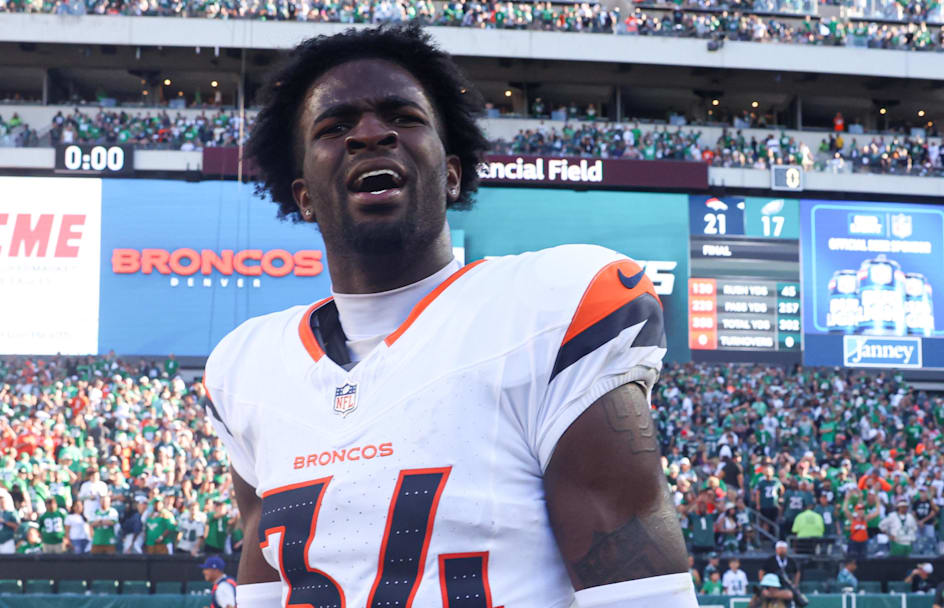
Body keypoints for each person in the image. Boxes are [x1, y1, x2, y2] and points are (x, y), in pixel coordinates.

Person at [205, 24, 692, 608]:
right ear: (304, 194)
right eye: (335, 126)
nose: (370, 134)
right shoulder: (248, 368)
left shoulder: (549, 309)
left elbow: (641, 596)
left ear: (453, 173)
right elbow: (266, 591)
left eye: (403, 117)